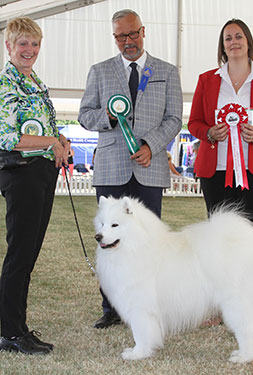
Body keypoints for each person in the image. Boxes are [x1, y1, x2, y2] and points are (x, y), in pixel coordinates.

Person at [78, 9, 182, 329]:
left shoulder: (166, 71)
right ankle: (111, 308)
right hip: (111, 169)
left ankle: (148, 307)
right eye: (121, 36)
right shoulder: (100, 71)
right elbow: (85, 115)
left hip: (149, 170)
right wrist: (109, 118)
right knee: (110, 244)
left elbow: (174, 119)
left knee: (150, 242)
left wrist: (150, 145)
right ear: (115, 38)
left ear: (143, 31)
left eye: (132, 33)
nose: (128, 41)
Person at [188, 18, 253, 255]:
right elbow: (194, 123)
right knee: (220, 234)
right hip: (217, 171)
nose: (234, 42)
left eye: (238, 36)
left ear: (248, 42)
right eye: (228, 38)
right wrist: (209, 133)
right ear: (222, 46)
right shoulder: (206, 80)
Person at [0, 17, 69, 354]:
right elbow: (7, 136)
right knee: (19, 255)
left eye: (35, 44)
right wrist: (50, 141)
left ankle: (18, 327)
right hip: (21, 172)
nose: (29, 50)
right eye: (23, 44)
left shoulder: (35, 82)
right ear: (9, 46)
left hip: (42, 171)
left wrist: (61, 140)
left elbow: (49, 128)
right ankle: (10, 333)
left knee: (28, 255)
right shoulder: (7, 84)